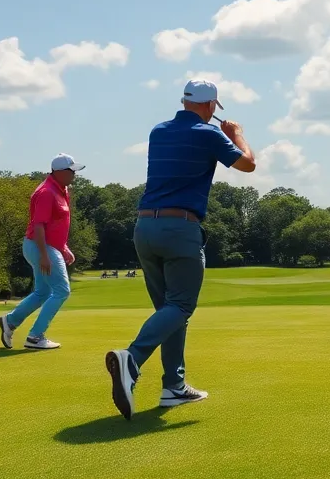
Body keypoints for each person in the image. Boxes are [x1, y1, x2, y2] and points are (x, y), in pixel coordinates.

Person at [106, 79, 256, 419]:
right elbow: (248, 164)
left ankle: (174, 386)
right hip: (180, 228)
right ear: (211, 106)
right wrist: (236, 134)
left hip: (145, 228)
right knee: (181, 306)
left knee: (169, 310)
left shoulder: (158, 131)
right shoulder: (210, 134)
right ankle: (131, 359)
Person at [0, 153, 84, 350]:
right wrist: (45, 255)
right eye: (71, 171)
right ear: (59, 172)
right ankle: (35, 337)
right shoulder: (46, 192)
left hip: (47, 246)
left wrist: (64, 247)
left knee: (43, 292)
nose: (74, 175)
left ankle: (10, 322)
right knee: (62, 290)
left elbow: (56, 224)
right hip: (40, 246)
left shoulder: (62, 190)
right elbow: (38, 226)